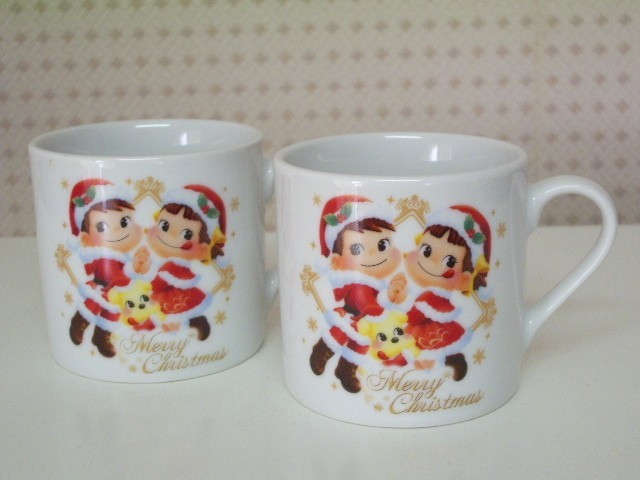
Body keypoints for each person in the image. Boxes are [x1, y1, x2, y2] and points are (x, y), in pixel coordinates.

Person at [309, 195, 408, 393]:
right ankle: (323, 349)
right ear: (337, 259)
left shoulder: (377, 283)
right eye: (356, 248)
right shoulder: (349, 280)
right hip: (351, 315)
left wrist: (391, 295)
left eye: (382, 245)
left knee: (361, 343)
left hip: (367, 320)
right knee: (341, 332)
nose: (373, 255)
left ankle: (347, 368)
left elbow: (378, 300)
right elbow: (353, 298)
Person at [404, 205, 491, 381]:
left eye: (450, 261)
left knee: (419, 348)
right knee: (438, 349)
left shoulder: (428, 298)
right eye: (426, 251)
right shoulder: (426, 293)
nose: (433, 263)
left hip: (428, 330)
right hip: (440, 328)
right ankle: (443, 365)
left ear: (464, 279)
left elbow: (412, 317)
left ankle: (430, 370)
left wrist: (402, 315)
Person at [67, 179, 148, 357]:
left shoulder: (123, 257)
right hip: (100, 285)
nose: (117, 232)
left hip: (116, 289)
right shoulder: (95, 254)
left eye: (124, 222)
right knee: (94, 302)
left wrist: (136, 267)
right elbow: (90, 267)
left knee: (113, 311)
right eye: (102, 226)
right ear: (87, 235)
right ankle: (80, 321)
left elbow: (126, 273)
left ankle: (102, 335)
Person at [146, 185, 227, 340]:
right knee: (178, 315)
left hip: (171, 297)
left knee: (166, 314)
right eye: (164, 226)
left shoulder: (170, 266)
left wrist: (147, 285)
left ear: (203, 247)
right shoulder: (172, 264)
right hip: (181, 295)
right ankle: (185, 329)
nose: (171, 236)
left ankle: (178, 331)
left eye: (187, 234)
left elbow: (156, 284)